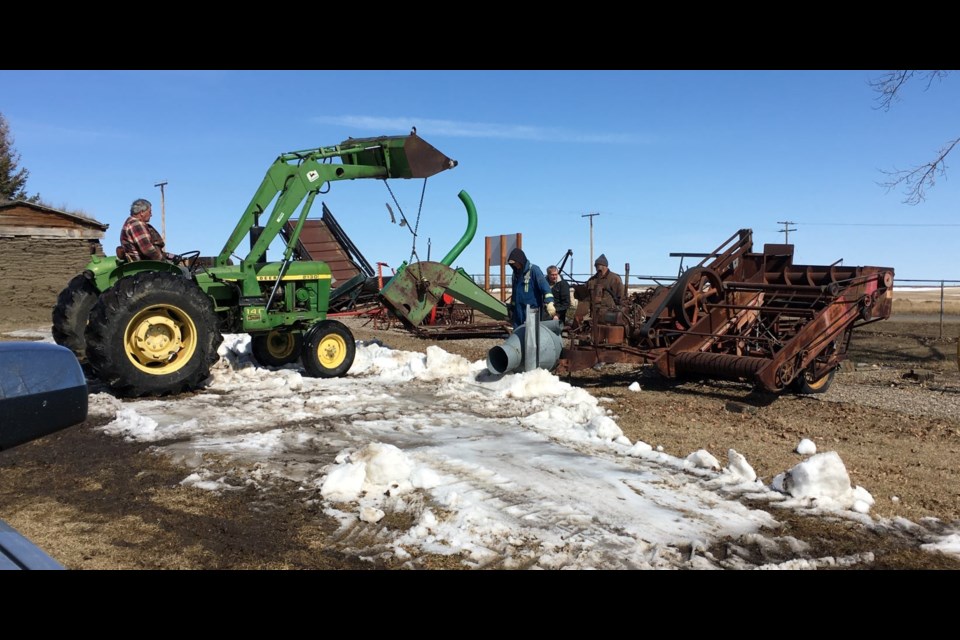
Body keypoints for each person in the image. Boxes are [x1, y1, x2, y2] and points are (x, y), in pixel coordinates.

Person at [507, 247, 555, 329]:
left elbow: (545, 287)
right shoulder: (515, 274)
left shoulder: (534, 270)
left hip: (532, 312)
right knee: (518, 334)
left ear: (521, 260)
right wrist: (512, 307)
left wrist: (550, 302)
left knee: (531, 337)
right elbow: (515, 293)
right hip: (518, 312)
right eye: (513, 264)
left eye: (516, 263)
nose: (515, 265)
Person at [573, 253, 624, 325]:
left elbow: (621, 297)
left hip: (609, 316)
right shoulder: (592, 280)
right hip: (594, 315)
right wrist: (578, 290)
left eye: (599, 266)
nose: (597, 268)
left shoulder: (614, 279)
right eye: (596, 266)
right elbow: (584, 298)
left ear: (605, 266)